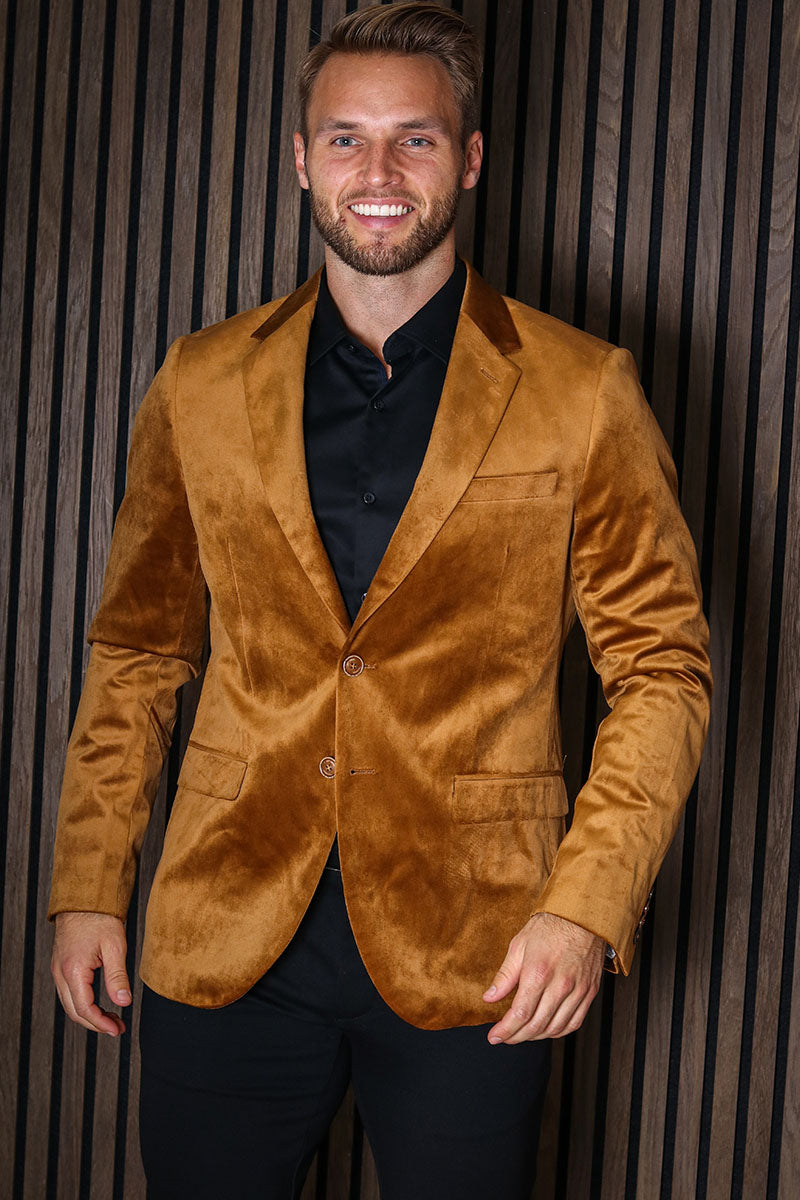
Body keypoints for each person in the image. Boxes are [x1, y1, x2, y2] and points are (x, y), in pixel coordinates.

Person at [48, 4, 712, 1197]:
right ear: (301, 160)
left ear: (468, 158)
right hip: (227, 926)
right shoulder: (200, 381)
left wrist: (584, 908)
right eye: (346, 139)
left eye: (415, 138)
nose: (379, 172)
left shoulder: (583, 390)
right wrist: (91, 884)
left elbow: (660, 669)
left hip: (482, 946)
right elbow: (137, 649)